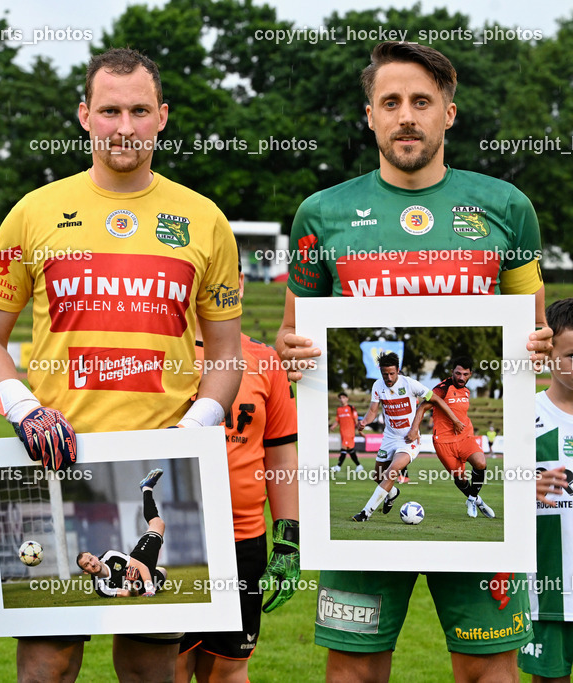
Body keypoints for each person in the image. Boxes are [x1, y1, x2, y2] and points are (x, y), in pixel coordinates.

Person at [0, 47, 242, 683]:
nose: (125, 126)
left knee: (149, 667)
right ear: (85, 116)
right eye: (111, 110)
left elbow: (226, 353)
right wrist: (23, 408)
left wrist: (197, 428)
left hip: (159, 464)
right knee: (47, 667)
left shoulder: (205, 220)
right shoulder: (34, 212)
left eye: (139, 110)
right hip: (53, 463)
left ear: (163, 117)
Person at [275, 41, 550, 681]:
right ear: (369, 115)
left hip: (493, 519)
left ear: (449, 113)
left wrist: (536, 345)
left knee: (490, 670)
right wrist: (292, 352)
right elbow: (291, 337)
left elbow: (535, 333)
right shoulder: (322, 214)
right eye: (390, 102)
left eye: (422, 102)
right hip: (360, 520)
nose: (407, 116)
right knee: (353, 669)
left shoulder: (507, 208)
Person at [178, 263, 299, 683]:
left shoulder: (265, 360)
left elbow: (281, 458)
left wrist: (288, 540)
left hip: (243, 541)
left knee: (230, 670)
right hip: (173, 544)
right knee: (167, 668)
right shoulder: (155, 357)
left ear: (242, 284)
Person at [522, 298, 573, 681]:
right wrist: (523, 487)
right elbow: (489, 497)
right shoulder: (526, 415)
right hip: (547, 596)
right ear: (549, 351)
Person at [351, 351, 464, 522]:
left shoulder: (411, 384)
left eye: (391, 373)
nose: (388, 378)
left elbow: (436, 400)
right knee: (378, 476)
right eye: (384, 374)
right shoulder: (377, 386)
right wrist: (364, 422)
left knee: (392, 471)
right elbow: (373, 411)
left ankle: (366, 513)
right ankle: (393, 493)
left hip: (408, 440)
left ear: (398, 370)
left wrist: (454, 420)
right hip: (389, 438)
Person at [411, 356, 495, 519]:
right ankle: (477, 500)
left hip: (465, 437)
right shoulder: (442, 389)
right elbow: (422, 406)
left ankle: (471, 499)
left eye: (465, 374)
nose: (461, 377)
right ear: (452, 372)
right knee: (460, 478)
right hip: (444, 442)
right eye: (458, 373)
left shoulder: (467, 391)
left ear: (470, 374)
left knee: (481, 463)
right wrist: (415, 429)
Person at [77, 469, 169, 598]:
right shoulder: (101, 588)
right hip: (139, 587)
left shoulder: (109, 556)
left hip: (140, 563)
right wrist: (131, 586)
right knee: (163, 572)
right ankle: (152, 574)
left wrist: (149, 588)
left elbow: (139, 565)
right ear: (86, 572)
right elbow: (128, 594)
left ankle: (146, 488)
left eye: (91, 559)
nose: (92, 564)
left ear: (95, 557)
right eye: (87, 565)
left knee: (158, 524)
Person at [331, 392, 363, 473]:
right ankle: (359, 466)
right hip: (342, 432)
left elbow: (356, 421)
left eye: (343, 397)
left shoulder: (351, 408)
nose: (342, 399)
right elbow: (337, 420)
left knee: (344, 448)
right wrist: (333, 426)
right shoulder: (339, 409)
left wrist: (360, 431)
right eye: (340, 398)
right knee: (350, 450)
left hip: (349, 432)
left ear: (347, 398)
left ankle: (338, 466)